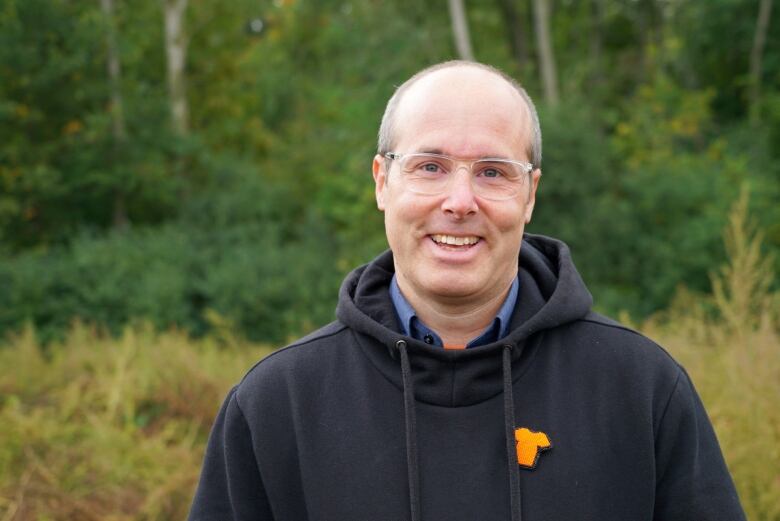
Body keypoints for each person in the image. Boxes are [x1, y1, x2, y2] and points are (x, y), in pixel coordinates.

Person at [188, 61, 745, 520]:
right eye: (430, 166)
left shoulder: (642, 390)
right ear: (382, 182)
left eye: (493, 172)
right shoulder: (275, 405)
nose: (460, 201)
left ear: (530, 194)